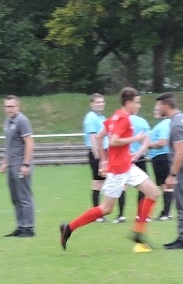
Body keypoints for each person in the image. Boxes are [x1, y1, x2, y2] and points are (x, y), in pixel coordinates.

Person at [59, 87, 162, 252]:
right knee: (106, 209)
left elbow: (100, 136)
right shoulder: (123, 119)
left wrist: (104, 159)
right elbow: (113, 141)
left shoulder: (115, 117)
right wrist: (136, 138)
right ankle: (69, 228)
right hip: (119, 170)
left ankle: (138, 232)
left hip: (127, 166)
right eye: (137, 102)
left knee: (153, 192)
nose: (139, 106)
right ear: (128, 103)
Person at [158, 93, 183, 249]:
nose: (157, 108)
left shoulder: (176, 125)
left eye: (159, 105)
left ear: (166, 105)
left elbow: (180, 153)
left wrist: (172, 175)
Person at [0, 96, 35, 237]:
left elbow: (29, 143)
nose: (9, 109)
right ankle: (20, 226)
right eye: (6, 106)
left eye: (11, 106)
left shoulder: (22, 121)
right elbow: (9, 144)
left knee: (24, 196)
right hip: (11, 164)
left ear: (18, 106)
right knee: (15, 197)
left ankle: (29, 228)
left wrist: (25, 164)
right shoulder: (7, 121)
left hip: (20, 164)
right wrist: (5, 161)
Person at [121, 107, 152, 221]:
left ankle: (120, 215)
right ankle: (140, 214)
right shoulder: (143, 122)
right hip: (139, 157)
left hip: (124, 157)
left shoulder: (121, 121)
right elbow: (146, 143)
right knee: (143, 187)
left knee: (122, 186)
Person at [148, 100, 174, 220]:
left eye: (157, 109)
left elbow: (162, 142)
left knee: (166, 186)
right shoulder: (164, 123)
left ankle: (166, 213)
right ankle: (167, 212)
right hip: (161, 157)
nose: (155, 111)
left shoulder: (164, 124)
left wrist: (148, 145)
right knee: (165, 185)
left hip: (161, 157)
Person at [82, 93, 106, 213]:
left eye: (102, 102)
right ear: (92, 104)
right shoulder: (91, 118)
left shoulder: (101, 117)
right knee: (97, 183)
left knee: (102, 182)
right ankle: (96, 212)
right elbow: (93, 138)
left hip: (104, 153)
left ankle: (100, 211)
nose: (100, 104)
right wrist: (99, 158)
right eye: (98, 102)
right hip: (98, 154)